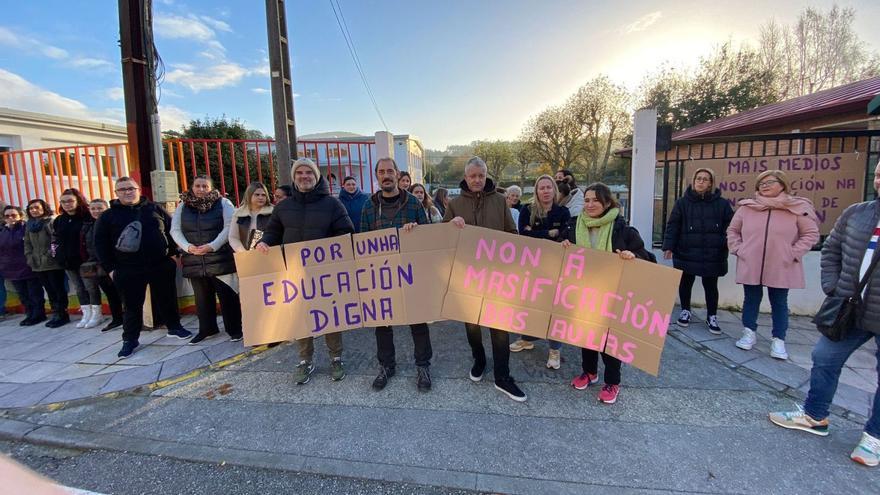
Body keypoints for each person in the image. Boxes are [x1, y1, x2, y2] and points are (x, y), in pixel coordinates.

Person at [769, 160, 880, 467]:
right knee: (824, 357)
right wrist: (833, 285)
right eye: (879, 173)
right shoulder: (858, 213)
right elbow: (831, 249)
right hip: (849, 309)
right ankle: (815, 414)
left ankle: (874, 438)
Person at [256, 158, 354, 384]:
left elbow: (346, 231)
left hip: (325, 272)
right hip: (294, 273)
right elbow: (272, 232)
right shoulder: (283, 206)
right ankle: (305, 360)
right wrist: (264, 244)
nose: (304, 176)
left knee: (331, 316)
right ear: (294, 177)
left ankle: (336, 357)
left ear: (316, 176)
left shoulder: (333, 205)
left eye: (308, 172)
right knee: (301, 316)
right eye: (299, 172)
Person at [444, 156, 526, 402]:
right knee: (472, 325)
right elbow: (442, 237)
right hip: (467, 277)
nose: (477, 179)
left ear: (486, 175)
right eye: (472, 176)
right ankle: (479, 359)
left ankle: (503, 376)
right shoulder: (455, 204)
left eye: (481, 175)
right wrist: (451, 225)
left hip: (497, 276)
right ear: (466, 177)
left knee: (500, 328)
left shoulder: (500, 201)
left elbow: (512, 233)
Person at [563, 183, 649, 405]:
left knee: (611, 341)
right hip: (583, 291)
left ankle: (613, 382)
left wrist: (633, 256)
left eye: (595, 200)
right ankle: (589, 372)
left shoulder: (623, 229)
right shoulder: (574, 226)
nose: (590, 204)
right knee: (586, 335)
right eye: (587, 200)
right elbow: (562, 254)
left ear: (607, 203)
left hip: (613, 294)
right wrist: (562, 245)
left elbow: (648, 258)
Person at [94, 177, 193, 358]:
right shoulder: (107, 216)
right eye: (122, 189)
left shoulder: (154, 208)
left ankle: (174, 327)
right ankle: (130, 339)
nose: (127, 192)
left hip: (160, 264)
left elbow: (172, 230)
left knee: (167, 299)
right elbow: (100, 244)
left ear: (138, 189)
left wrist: (173, 253)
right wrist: (111, 269)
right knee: (132, 306)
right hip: (127, 268)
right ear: (116, 193)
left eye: (131, 188)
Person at [727, 170, 819, 360]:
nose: (765, 185)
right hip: (751, 262)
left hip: (781, 264)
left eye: (770, 182)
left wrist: (793, 253)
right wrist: (739, 249)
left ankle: (778, 339)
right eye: (761, 183)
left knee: (779, 302)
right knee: (751, 298)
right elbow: (733, 230)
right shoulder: (747, 208)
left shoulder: (796, 207)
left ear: (782, 184)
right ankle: (749, 332)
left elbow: (810, 234)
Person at [360, 158, 433, 391]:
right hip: (381, 276)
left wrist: (416, 231)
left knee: (417, 322)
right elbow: (362, 241)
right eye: (381, 172)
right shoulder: (368, 206)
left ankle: (423, 366)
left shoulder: (413, 203)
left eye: (390, 171)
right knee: (382, 324)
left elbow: (428, 236)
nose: (386, 175)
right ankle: (386, 366)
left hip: (410, 274)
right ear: (377, 176)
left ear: (397, 173)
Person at [171, 175, 242, 345]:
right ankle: (207, 329)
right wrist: (188, 247)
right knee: (202, 299)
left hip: (220, 258)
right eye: (197, 185)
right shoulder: (183, 206)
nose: (201, 189)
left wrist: (213, 245)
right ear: (192, 187)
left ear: (211, 188)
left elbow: (229, 227)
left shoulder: (224, 204)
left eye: (205, 186)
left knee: (228, 297)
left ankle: (235, 329)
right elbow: (175, 230)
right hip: (194, 259)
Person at [662, 168, 734, 334]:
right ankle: (686, 310)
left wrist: (726, 242)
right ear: (693, 181)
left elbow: (730, 226)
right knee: (686, 282)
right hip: (686, 250)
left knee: (710, 285)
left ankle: (712, 316)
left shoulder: (722, 204)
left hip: (713, 252)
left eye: (705, 179)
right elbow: (673, 225)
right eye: (698, 178)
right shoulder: (682, 203)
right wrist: (669, 246)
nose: (701, 181)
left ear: (711, 183)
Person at [509, 175, 571, 368]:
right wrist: (548, 234)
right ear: (536, 191)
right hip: (532, 267)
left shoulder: (563, 212)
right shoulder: (527, 210)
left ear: (554, 190)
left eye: (548, 187)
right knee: (530, 305)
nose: (545, 191)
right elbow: (524, 236)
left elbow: (564, 236)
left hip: (556, 268)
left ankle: (555, 349)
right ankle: (527, 339)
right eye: (541, 188)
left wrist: (537, 234)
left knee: (554, 309)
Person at [23, 199, 68, 328]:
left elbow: (55, 240)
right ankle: (55, 312)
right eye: (31, 208)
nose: (34, 210)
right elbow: (27, 242)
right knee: (49, 290)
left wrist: (48, 255)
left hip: (52, 263)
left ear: (44, 208)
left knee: (57, 289)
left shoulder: (50, 222)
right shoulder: (30, 224)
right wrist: (29, 256)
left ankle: (62, 314)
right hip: (37, 264)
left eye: (37, 207)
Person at [79, 199, 123, 330]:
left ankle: (128, 319)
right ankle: (117, 319)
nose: (96, 211)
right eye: (93, 209)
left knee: (121, 292)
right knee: (109, 293)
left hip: (113, 263)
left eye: (99, 208)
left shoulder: (112, 222)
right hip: (97, 265)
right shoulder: (87, 225)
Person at [52, 189, 92, 328]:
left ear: (78, 200)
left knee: (90, 287)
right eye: (63, 201)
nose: (66, 204)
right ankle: (86, 313)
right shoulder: (59, 220)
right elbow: (55, 239)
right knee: (79, 288)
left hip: (85, 260)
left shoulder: (87, 217)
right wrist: (56, 255)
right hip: (67, 261)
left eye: (70, 201)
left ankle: (95, 313)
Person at [0, 206, 45, 326]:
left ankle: (39, 314)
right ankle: (29, 314)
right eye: (7, 216)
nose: (10, 218)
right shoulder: (3, 231)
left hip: (28, 266)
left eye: (13, 215)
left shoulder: (26, 228)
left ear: (20, 216)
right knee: (23, 294)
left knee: (34, 293)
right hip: (11, 269)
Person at [229, 182, 273, 252]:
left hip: (270, 252)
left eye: (263, 195)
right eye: (257, 195)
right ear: (249, 195)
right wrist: (243, 253)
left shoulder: (273, 212)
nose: (260, 197)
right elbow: (233, 237)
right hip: (246, 255)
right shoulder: (239, 214)